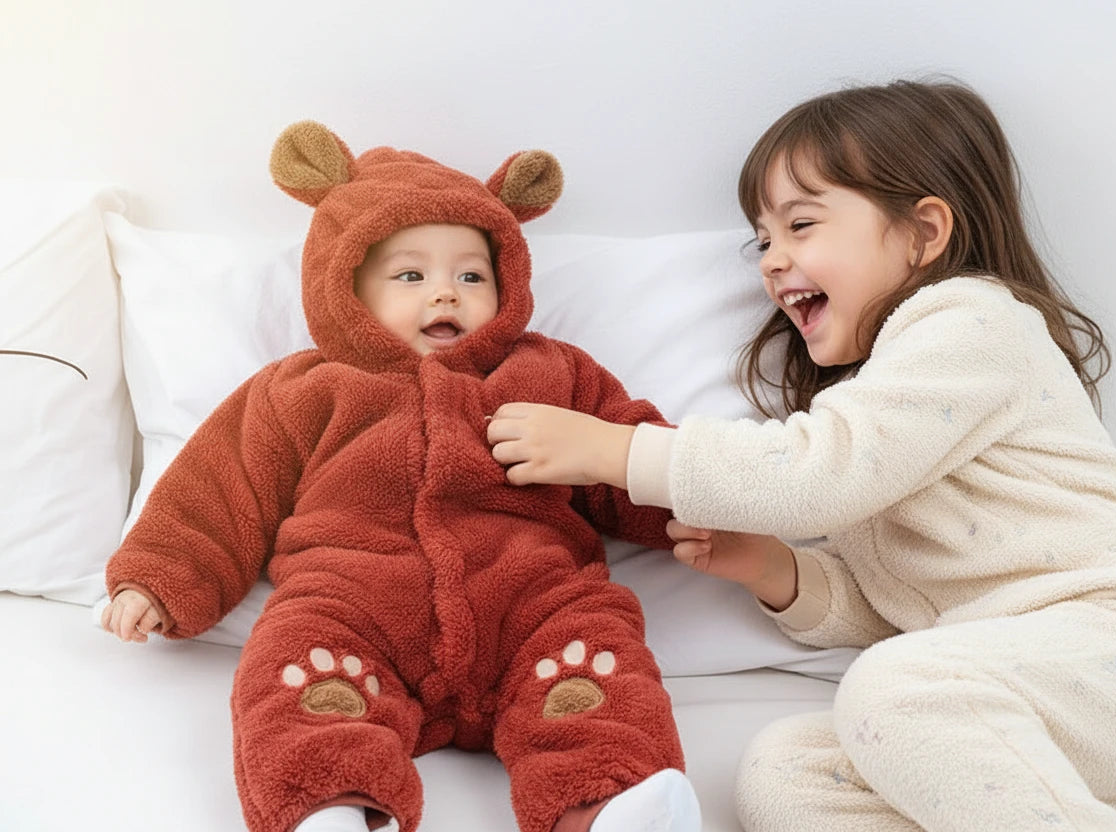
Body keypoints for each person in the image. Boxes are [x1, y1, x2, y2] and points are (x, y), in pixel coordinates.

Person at [485, 79, 1116, 831]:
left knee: (892, 688)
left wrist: (618, 450)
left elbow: (815, 475)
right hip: (1038, 718)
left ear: (924, 232)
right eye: (763, 240)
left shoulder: (970, 322)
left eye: (801, 225)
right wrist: (778, 573)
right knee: (786, 774)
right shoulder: (877, 406)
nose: (772, 260)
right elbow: (892, 606)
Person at [100, 121, 700, 832]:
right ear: (347, 284)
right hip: (352, 604)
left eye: (471, 276)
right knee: (295, 667)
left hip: (532, 600)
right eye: (411, 275)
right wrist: (159, 578)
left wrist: (691, 499)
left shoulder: (550, 373)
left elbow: (628, 451)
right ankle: (325, 803)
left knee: (598, 662)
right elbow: (221, 488)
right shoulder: (302, 390)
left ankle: (611, 801)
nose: (445, 294)